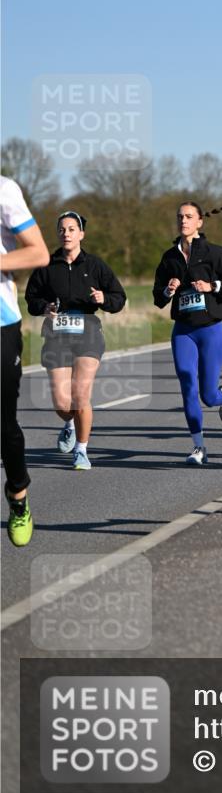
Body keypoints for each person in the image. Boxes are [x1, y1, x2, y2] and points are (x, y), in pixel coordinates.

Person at [25, 211, 126, 472]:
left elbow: (119, 298)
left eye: (72, 229)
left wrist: (104, 299)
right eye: (62, 229)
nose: (66, 233)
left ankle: (81, 450)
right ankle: (69, 424)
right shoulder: (46, 266)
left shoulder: (95, 266)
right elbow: (31, 300)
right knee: (61, 403)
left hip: (88, 333)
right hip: (56, 336)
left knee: (81, 395)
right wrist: (44, 307)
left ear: (81, 234)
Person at [153, 201, 222, 465]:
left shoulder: (218, 254)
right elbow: (157, 296)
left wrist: (212, 286)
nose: (183, 220)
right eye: (180, 216)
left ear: (200, 221)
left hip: (210, 330)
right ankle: (198, 446)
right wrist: (168, 291)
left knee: (208, 395)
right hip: (183, 330)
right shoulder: (169, 258)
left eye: (189, 216)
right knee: (187, 383)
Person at [1, 177, 50, 546]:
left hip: (0, 324)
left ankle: (18, 496)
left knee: (4, 425)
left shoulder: (3, 190)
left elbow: (38, 253)